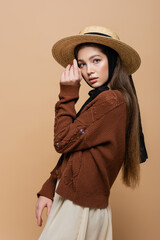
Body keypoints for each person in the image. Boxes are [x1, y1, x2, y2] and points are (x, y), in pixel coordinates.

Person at [35, 26, 148, 240]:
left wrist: (67, 92)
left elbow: (62, 142)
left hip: (79, 207)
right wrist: (49, 189)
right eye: (82, 64)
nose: (88, 71)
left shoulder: (110, 101)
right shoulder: (102, 100)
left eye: (96, 60)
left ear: (113, 61)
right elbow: (74, 152)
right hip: (77, 202)